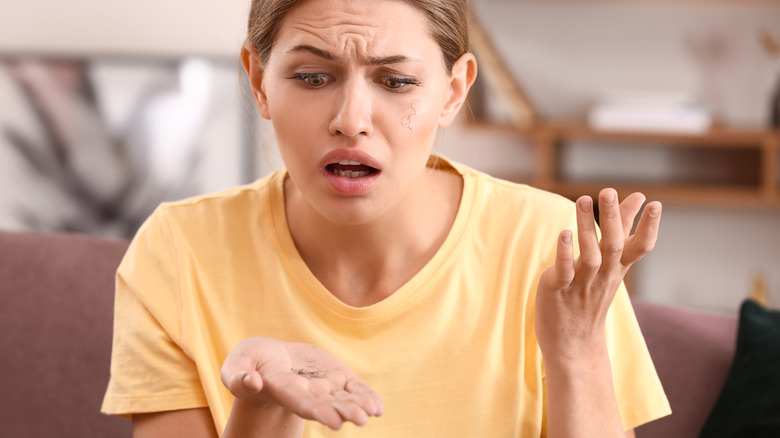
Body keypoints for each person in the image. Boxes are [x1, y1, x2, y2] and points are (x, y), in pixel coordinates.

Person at [101, 0, 671, 436]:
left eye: (396, 82)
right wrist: (262, 410)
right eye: (311, 77)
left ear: (453, 91)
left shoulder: (557, 246)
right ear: (257, 81)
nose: (352, 120)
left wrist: (577, 349)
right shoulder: (178, 250)